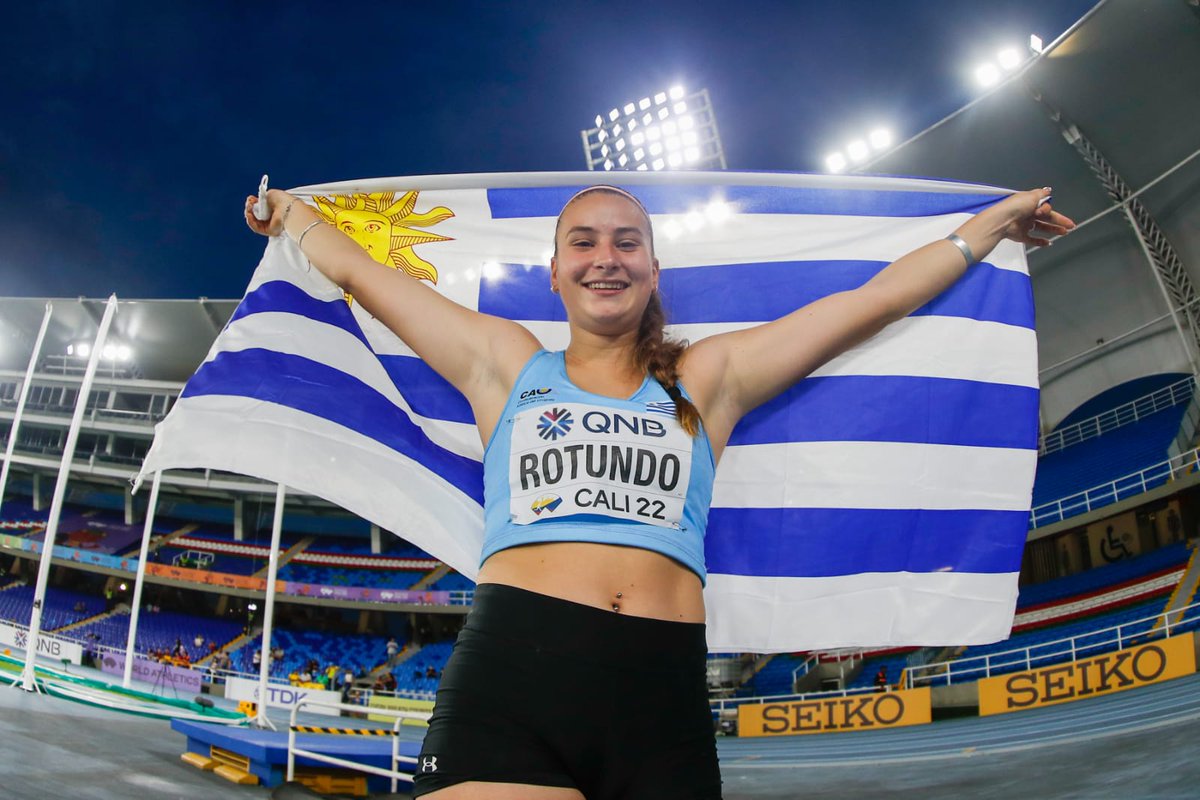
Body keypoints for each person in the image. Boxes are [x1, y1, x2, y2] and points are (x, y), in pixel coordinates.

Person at [247, 182, 1072, 799]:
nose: (605, 256)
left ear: (650, 266)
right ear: (554, 272)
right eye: (583, 242)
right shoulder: (501, 362)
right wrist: (292, 218)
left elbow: (870, 302)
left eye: (626, 241)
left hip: (660, 697)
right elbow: (358, 271)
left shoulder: (708, 376)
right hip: (513, 680)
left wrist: (987, 229)